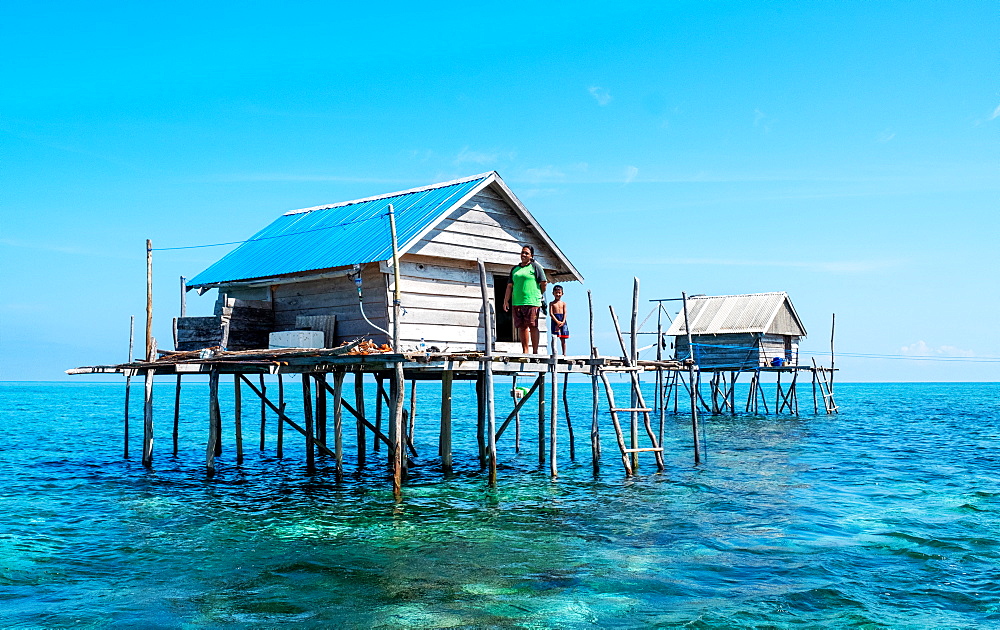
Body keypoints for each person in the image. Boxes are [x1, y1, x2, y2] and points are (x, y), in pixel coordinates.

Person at [503, 244, 547, 353]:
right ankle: (525, 350)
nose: (523, 255)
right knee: (522, 327)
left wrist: (538, 294)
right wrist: (505, 301)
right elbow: (509, 286)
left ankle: (535, 351)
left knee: (533, 325)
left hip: (532, 302)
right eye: (522, 252)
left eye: (526, 253)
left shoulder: (536, 267)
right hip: (517, 302)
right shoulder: (515, 269)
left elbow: (543, 283)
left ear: (531, 255)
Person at [549, 284, 569, 355]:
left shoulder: (563, 303)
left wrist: (563, 321)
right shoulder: (551, 303)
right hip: (555, 320)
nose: (558, 294)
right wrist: (557, 321)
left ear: (562, 293)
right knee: (555, 337)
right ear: (553, 293)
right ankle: (554, 352)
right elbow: (551, 313)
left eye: (559, 293)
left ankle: (564, 353)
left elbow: (565, 313)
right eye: (556, 293)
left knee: (563, 338)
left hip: (562, 320)